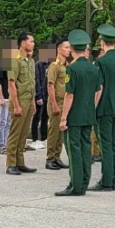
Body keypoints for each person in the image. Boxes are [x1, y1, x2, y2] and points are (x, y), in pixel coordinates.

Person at [55, 30, 102, 196]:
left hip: (74, 115)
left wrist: (63, 117)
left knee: (74, 149)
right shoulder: (93, 68)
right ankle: (84, 182)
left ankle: (75, 185)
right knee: (86, 148)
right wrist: (91, 107)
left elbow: (69, 95)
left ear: (73, 49)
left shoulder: (72, 69)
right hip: (89, 114)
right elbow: (98, 90)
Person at [92, 24, 115, 191]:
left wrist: (93, 107)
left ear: (102, 42)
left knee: (105, 144)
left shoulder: (101, 62)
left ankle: (107, 180)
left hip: (104, 108)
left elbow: (98, 88)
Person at [5, 32, 37, 176]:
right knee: (15, 134)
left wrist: (33, 102)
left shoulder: (30, 60)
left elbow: (32, 83)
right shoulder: (15, 60)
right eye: (31, 41)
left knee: (23, 134)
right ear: (23, 43)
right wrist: (16, 105)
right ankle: (11, 163)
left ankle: (20, 162)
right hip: (19, 101)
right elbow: (11, 84)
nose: (33, 44)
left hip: (28, 101)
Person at [45, 39, 71, 170]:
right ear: (59, 49)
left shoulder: (66, 66)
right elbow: (50, 86)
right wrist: (54, 104)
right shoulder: (54, 66)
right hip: (56, 102)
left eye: (69, 48)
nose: (69, 50)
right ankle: (50, 158)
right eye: (66, 47)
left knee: (61, 131)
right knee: (54, 131)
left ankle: (57, 156)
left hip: (64, 102)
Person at [30, 51, 50, 149]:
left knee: (45, 117)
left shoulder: (49, 65)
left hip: (47, 94)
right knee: (37, 117)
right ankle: (34, 138)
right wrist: (38, 96)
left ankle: (44, 137)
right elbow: (37, 81)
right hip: (40, 94)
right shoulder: (38, 64)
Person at [0, 70, 10, 154]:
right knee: (2, 121)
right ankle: (2, 146)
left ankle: (8, 144)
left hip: (11, 96)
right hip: (4, 97)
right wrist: (1, 97)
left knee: (8, 122)